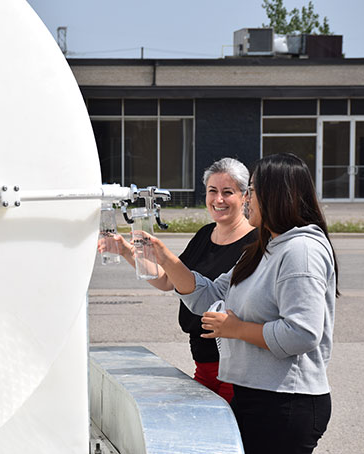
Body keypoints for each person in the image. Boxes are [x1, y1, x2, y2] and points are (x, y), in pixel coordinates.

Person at [147, 153, 338, 454]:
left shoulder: (301, 251)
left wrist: (235, 329)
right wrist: (166, 259)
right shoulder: (262, 248)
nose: (246, 199)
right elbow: (209, 295)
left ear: (276, 196)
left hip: (287, 401)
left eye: (251, 190)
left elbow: (302, 333)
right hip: (253, 395)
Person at [98, 157, 256, 402]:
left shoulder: (255, 243)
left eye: (228, 192)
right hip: (203, 366)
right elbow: (167, 281)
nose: (219, 200)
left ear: (245, 196)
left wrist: (165, 256)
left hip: (236, 371)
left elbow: (210, 295)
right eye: (212, 191)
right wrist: (126, 250)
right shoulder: (205, 234)